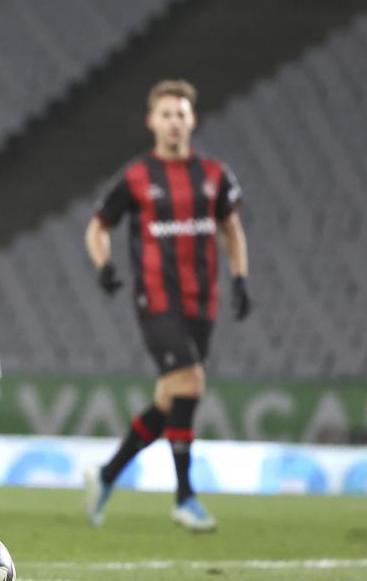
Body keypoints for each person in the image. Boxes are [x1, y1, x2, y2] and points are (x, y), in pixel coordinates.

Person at [82, 78, 252, 533]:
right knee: (190, 382)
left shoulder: (214, 174)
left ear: (192, 121)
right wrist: (103, 264)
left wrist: (240, 278)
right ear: (151, 122)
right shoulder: (137, 177)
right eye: (166, 114)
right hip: (156, 300)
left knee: (169, 399)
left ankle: (107, 474)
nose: (174, 122)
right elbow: (98, 227)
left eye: (181, 114)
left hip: (202, 302)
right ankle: (184, 497)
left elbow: (231, 229)